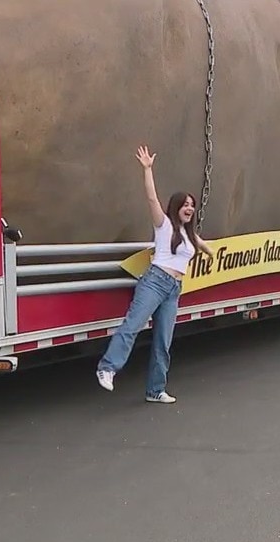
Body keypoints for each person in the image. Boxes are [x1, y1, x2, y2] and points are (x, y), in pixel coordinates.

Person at [95, 145, 213, 403]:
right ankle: (107, 367)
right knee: (133, 325)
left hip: (173, 290)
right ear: (176, 207)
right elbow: (152, 199)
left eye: (192, 205)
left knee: (163, 341)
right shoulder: (164, 224)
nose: (190, 208)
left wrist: (209, 251)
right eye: (185, 205)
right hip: (155, 282)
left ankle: (156, 390)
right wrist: (148, 169)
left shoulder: (188, 234)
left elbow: (200, 243)